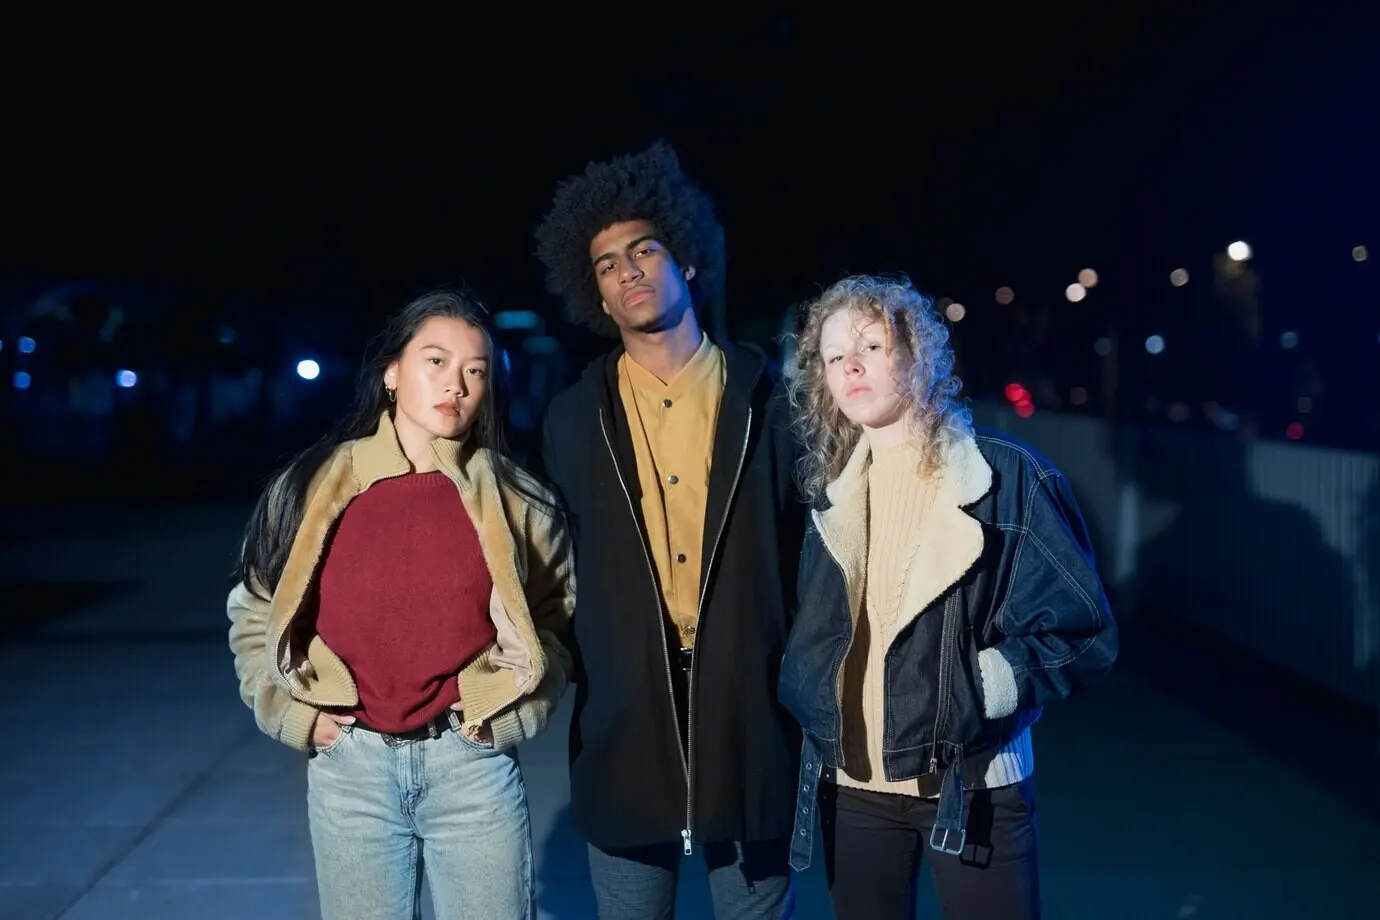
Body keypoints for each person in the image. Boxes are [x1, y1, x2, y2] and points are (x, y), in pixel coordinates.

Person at [777, 274, 1119, 920]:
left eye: (871, 346)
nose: (852, 366)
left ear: (917, 353)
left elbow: (1086, 634)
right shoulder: (829, 495)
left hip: (974, 784)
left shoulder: (1006, 477)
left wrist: (984, 685)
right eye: (834, 356)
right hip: (853, 789)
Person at [226, 290, 574, 920]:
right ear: (391, 372)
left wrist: (511, 716)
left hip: (470, 767)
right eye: (435, 361)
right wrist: (296, 717)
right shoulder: (312, 484)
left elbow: (557, 618)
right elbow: (254, 611)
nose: (456, 385)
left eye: (475, 370)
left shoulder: (518, 499)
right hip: (351, 771)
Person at [533, 139, 805, 919]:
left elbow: (814, 559)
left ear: (685, 259)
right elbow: (553, 570)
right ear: (597, 297)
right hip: (624, 727)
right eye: (607, 265)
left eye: (644, 250)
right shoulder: (571, 420)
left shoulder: (773, 405)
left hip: (751, 721)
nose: (628, 271)